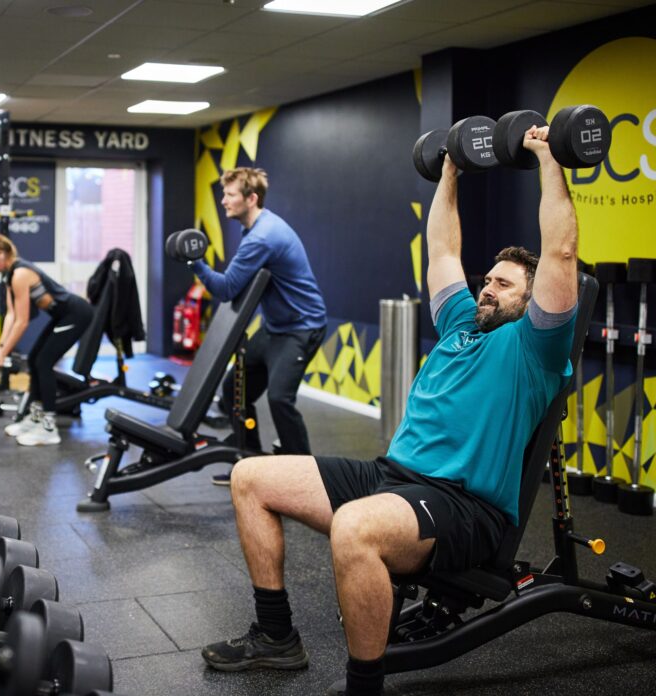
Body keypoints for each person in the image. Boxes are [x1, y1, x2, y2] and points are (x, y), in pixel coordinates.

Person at [200, 126, 579, 696]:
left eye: (504, 285)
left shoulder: (535, 348)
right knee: (250, 477)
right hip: (391, 477)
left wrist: (550, 157)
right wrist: (450, 170)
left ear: (531, 300)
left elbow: (561, 252)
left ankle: (365, 684)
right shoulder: (458, 326)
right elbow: (444, 248)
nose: (487, 289)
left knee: (354, 527)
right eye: (487, 280)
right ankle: (276, 636)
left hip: (461, 504)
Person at [191, 167, 328, 485]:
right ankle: (247, 453)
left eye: (230, 195)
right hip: (275, 327)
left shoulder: (264, 236)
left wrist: (193, 261)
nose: (222, 200)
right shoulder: (255, 227)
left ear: (251, 198)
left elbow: (226, 288)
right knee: (232, 391)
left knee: (280, 398)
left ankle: (307, 477)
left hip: (301, 328)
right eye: (223, 193)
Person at [0, 231, 94, 446]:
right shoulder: (10, 275)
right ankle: (35, 417)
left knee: (44, 362)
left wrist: (3, 352)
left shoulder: (20, 274)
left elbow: (22, 321)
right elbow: (11, 315)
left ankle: (48, 427)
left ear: (0, 254)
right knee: (36, 360)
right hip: (62, 315)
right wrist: (0, 348)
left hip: (77, 314)